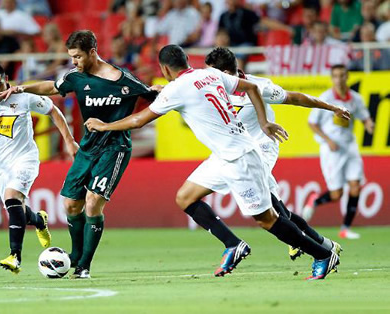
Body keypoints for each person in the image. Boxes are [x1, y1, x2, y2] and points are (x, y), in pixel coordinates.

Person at [85, 44, 340, 280]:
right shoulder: (210, 75)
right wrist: (264, 122)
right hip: (223, 156)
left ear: (164, 69)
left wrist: (104, 125)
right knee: (185, 197)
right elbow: (248, 88)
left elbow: (138, 120)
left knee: (268, 219)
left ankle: (323, 254)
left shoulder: (181, 86)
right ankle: (233, 244)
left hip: (240, 157)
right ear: (187, 60)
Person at [0, 30, 158, 279]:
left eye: (78, 56)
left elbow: (154, 98)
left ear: (92, 52)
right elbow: (51, 87)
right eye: (71, 57)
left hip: (114, 149)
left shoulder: (122, 80)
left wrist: (160, 90)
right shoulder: (75, 77)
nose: (74, 61)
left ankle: (84, 265)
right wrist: (19, 88)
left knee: (93, 202)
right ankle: (75, 255)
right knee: (71, 204)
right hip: (88, 147)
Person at [204, 47, 349, 260]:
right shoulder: (212, 87)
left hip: (262, 147)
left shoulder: (259, 87)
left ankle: (310, 246)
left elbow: (295, 98)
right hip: (240, 151)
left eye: (212, 73)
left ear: (225, 73)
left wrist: (332, 108)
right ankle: (324, 245)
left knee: (269, 208)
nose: (208, 77)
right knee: (277, 209)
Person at [0, 62, 79, 274]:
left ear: (6, 78)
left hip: (25, 159)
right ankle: (38, 220)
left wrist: (69, 141)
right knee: (16, 208)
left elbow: (53, 110)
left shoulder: (22, 96)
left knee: (11, 198)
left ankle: (15, 256)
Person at [303, 64, 374, 240]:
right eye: (335, 76)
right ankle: (315, 200)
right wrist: (327, 140)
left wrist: (368, 124)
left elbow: (364, 117)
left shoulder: (355, 98)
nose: (339, 79)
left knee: (356, 186)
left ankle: (345, 228)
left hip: (350, 146)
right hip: (332, 149)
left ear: (347, 76)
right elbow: (312, 122)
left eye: (342, 75)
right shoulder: (326, 98)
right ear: (332, 78)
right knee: (336, 194)